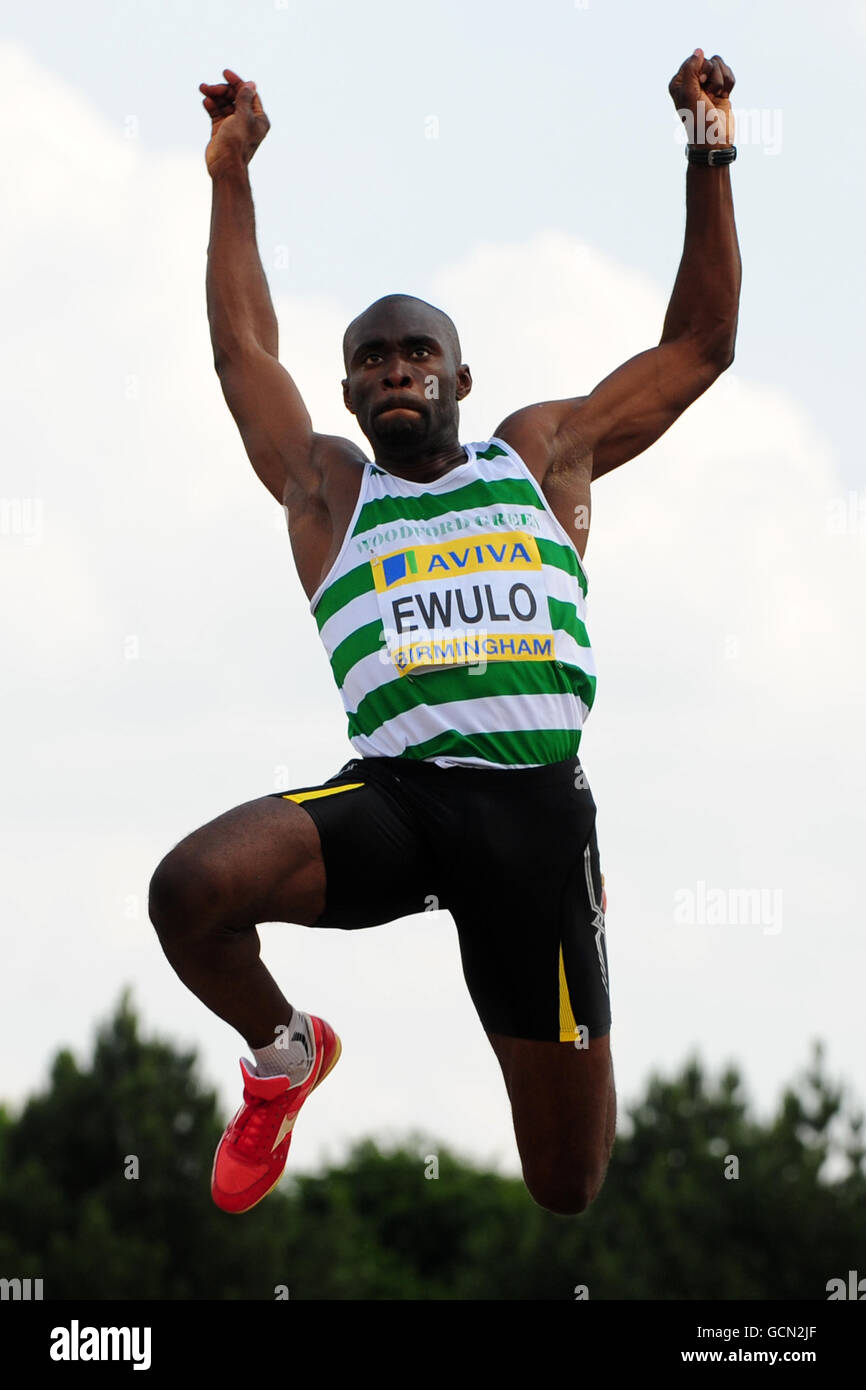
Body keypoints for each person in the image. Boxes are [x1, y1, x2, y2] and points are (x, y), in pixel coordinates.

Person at [149, 50, 740, 1217]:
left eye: (415, 351)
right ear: (352, 393)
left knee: (565, 1185)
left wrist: (709, 150)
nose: (394, 371)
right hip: (400, 803)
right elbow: (242, 356)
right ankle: (283, 1054)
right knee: (190, 891)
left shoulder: (540, 458)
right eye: (370, 361)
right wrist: (229, 177)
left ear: (458, 373)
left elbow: (697, 350)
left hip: (535, 821)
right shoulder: (330, 495)